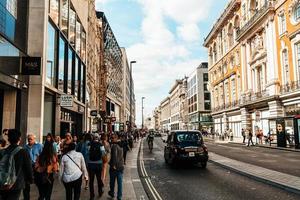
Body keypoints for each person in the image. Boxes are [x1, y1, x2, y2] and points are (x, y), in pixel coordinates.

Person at [0, 129, 33, 200]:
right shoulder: (23, 152)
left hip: (3, 181)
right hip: (16, 183)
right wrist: (30, 179)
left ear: (8, 139)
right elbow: (28, 167)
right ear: (19, 139)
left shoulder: (3, 151)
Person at [23, 133, 43, 200]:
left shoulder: (39, 146)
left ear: (34, 139)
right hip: (28, 167)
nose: (29, 140)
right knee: (26, 184)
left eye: (31, 139)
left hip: (36, 167)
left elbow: (42, 156)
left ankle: (41, 197)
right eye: (28, 139)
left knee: (39, 183)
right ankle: (26, 198)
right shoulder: (25, 147)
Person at [87, 133, 106, 200]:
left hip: (91, 164)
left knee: (91, 181)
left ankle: (92, 195)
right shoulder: (101, 145)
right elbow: (103, 154)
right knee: (99, 179)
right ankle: (100, 192)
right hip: (98, 164)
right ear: (98, 138)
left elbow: (87, 152)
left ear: (93, 138)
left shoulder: (89, 144)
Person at [108, 134, 124, 200]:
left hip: (114, 168)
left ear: (116, 138)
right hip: (120, 167)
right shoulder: (121, 145)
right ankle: (119, 196)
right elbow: (121, 156)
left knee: (112, 182)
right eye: (111, 138)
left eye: (112, 138)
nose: (111, 139)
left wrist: (113, 165)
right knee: (120, 183)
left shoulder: (114, 146)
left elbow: (114, 156)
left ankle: (112, 193)